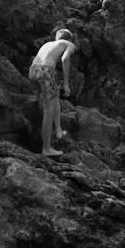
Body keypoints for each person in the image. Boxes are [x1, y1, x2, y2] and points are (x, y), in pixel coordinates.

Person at [29, 29, 77, 157]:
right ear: (70, 39)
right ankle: (46, 149)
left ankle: (58, 130)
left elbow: (38, 63)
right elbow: (65, 58)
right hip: (46, 71)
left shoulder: (47, 45)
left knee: (55, 96)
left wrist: (39, 94)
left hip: (33, 70)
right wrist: (66, 84)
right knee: (48, 111)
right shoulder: (68, 44)